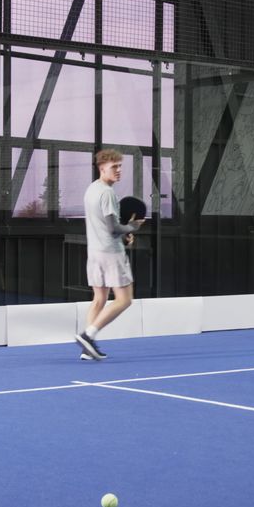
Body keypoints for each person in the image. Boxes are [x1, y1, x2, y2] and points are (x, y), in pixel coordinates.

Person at [75, 149, 145, 360]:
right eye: (114, 167)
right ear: (102, 168)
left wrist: (123, 234)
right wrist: (132, 227)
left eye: (120, 166)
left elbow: (104, 227)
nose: (119, 170)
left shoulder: (91, 190)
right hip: (111, 254)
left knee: (99, 299)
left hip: (95, 252)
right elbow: (113, 228)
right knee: (125, 300)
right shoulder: (107, 193)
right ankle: (89, 335)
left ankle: (88, 348)